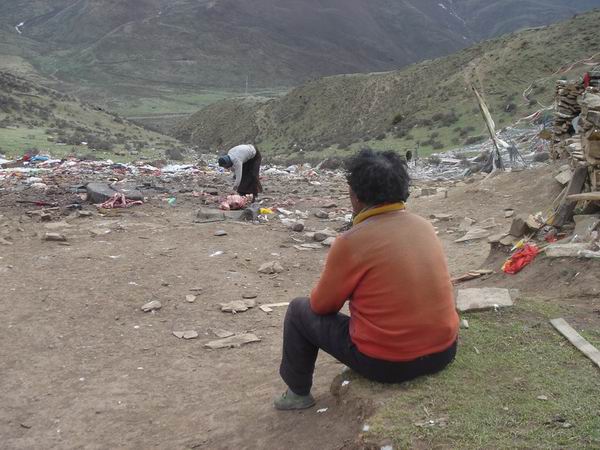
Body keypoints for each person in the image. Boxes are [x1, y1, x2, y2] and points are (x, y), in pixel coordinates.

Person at [274, 149, 459, 410]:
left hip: (388, 365)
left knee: (298, 310)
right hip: (444, 351)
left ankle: (297, 394)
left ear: (355, 195)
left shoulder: (351, 241)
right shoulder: (424, 226)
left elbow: (321, 306)